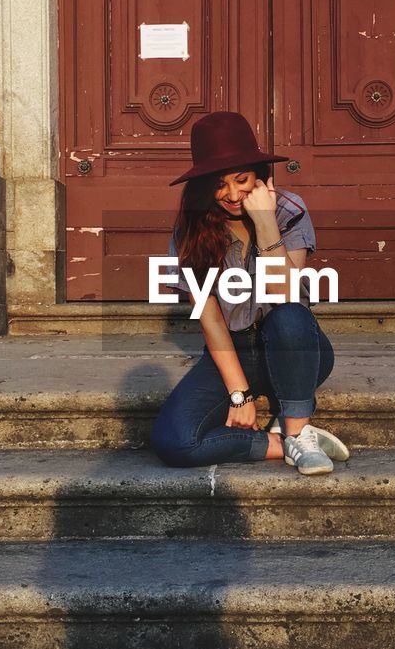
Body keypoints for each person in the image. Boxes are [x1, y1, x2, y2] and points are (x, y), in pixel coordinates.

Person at [149, 110, 350, 475]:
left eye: (241, 180)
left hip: (295, 346)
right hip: (233, 351)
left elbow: (287, 293)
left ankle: (296, 430)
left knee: (289, 316)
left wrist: (265, 222)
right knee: (172, 439)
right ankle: (284, 444)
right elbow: (210, 319)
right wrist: (239, 394)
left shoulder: (288, 210)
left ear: (259, 176)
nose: (232, 194)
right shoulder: (191, 231)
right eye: (218, 184)